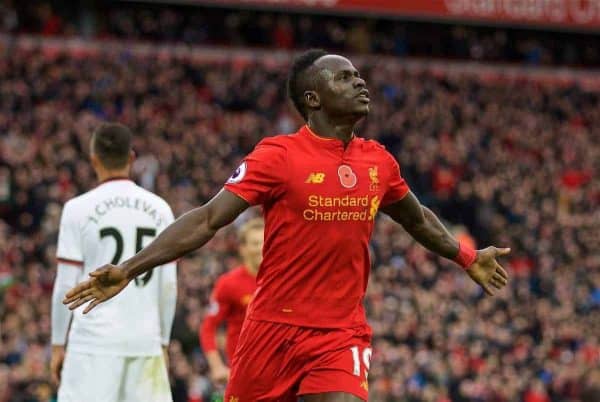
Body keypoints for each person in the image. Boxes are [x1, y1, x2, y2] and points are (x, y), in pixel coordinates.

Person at [63, 50, 509, 402]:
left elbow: (418, 219)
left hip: (341, 332)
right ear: (312, 99)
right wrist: (131, 267)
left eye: (358, 75)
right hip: (271, 333)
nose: (359, 82)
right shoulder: (277, 157)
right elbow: (206, 219)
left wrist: (467, 256)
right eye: (344, 77)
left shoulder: (379, 161)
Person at [51, 123, 177, 402]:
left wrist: (58, 343)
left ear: (93, 158)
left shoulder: (77, 208)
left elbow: (65, 284)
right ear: (131, 158)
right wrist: (163, 342)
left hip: (92, 344)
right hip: (145, 341)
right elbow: (168, 285)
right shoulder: (160, 209)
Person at [199, 217, 263, 383]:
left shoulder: (283, 281)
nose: (261, 248)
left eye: (265, 242)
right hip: (243, 374)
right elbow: (208, 327)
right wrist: (217, 366)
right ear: (242, 248)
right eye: (255, 243)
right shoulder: (229, 284)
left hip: (280, 374)